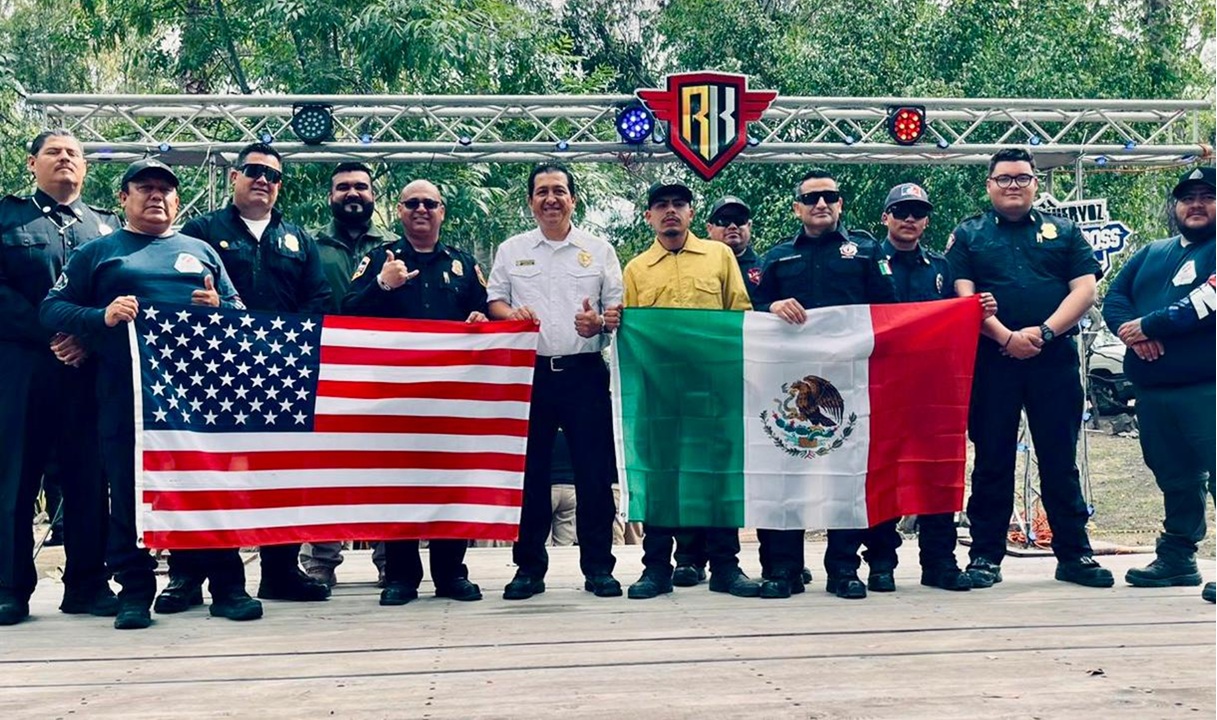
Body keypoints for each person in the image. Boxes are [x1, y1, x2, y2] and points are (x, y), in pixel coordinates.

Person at [40, 158, 249, 629]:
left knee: (208, 488)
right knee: (129, 493)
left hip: (196, 398)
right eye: (145, 188)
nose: (156, 196)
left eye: (165, 189)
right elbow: (51, 309)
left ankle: (228, 587)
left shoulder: (201, 251)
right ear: (124, 199)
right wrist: (101, 316)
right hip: (125, 397)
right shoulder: (98, 253)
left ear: (177, 200)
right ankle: (134, 591)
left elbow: (240, 314)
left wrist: (221, 307)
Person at [155, 142, 332, 616]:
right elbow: (177, 291)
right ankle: (187, 576)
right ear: (235, 177)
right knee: (203, 473)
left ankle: (280, 570)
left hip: (279, 374)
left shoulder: (298, 239)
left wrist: (285, 347)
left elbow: (317, 299)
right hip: (212, 372)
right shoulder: (201, 232)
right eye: (253, 171)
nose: (263, 181)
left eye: (272, 176)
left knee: (280, 474)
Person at [946, 147, 1113, 589]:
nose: (1013, 185)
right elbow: (963, 296)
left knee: (1059, 460)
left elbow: (1085, 291)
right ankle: (985, 556)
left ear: (1036, 184)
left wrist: (1043, 333)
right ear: (989, 185)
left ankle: (1074, 555)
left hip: (1053, 361)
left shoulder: (1066, 232)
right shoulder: (969, 234)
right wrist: (1006, 337)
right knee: (992, 460)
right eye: (1004, 178)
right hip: (992, 362)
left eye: (1022, 177)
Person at [752, 169, 897, 600]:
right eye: (812, 198)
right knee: (784, 473)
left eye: (830, 197)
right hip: (787, 384)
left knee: (846, 474)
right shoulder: (777, 257)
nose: (821, 204)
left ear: (840, 204)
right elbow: (752, 307)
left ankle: (843, 569)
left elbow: (888, 310)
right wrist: (772, 305)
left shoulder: (867, 252)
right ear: (796, 208)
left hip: (848, 383)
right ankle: (783, 569)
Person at [343, 179, 486, 606]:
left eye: (430, 203)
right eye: (412, 203)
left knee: (450, 484)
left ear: (442, 211)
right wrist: (383, 285)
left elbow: (487, 313)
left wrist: (480, 321)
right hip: (394, 397)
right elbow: (347, 312)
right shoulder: (378, 259)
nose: (421, 209)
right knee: (397, 485)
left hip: (450, 398)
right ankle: (401, 576)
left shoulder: (463, 264)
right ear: (400, 211)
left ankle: (451, 573)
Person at [487, 163, 623, 600]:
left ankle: (599, 568)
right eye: (542, 192)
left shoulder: (599, 250)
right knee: (529, 475)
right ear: (531, 201)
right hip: (529, 377)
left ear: (573, 199)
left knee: (594, 475)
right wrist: (511, 316)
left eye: (559, 191)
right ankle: (528, 568)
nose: (551, 199)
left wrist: (598, 323)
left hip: (585, 374)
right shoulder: (512, 249)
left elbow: (616, 313)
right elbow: (494, 301)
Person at [621, 178, 760, 601]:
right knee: (661, 479)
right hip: (659, 395)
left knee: (718, 479)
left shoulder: (719, 256)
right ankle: (655, 569)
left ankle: (726, 568)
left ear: (691, 213)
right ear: (648, 216)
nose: (670, 211)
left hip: (713, 390)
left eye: (679, 204)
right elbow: (631, 332)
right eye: (661, 204)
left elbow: (739, 315)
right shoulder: (636, 269)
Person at [0, 129, 117, 625]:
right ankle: (9, 588)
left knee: (89, 476)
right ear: (32, 163)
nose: (65, 158)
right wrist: (54, 331)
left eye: (74, 153)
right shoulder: (7, 217)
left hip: (87, 369)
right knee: (15, 478)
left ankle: (88, 584)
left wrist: (87, 336)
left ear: (85, 167)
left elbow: (120, 290)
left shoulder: (108, 227)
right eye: (54, 152)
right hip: (24, 367)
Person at [875, 182, 998, 592]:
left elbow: (960, 315)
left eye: (918, 212)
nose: (910, 219)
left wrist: (977, 309)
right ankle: (880, 562)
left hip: (934, 391)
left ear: (927, 220)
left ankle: (940, 562)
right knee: (883, 473)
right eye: (901, 211)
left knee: (938, 472)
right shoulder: (869, 262)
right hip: (883, 388)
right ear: (886, 217)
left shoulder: (943, 268)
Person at [1101, 166, 1215, 604]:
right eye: (1188, 197)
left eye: (1208, 196)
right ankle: (1178, 558)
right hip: (1155, 393)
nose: (1196, 204)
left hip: (1208, 387)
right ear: (1176, 206)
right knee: (1174, 476)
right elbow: (1115, 298)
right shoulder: (1152, 252)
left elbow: (1206, 301)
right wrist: (1131, 332)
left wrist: (1149, 325)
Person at [704, 194, 814, 591]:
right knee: (719, 473)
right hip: (716, 384)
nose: (732, 227)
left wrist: (772, 307)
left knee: (777, 470)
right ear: (709, 228)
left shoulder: (770, 265)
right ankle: (716, 563)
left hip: (768, 385)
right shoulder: (701, 265)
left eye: (739, 220)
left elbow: (785, 311)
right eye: (723, 220)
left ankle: (782, 564)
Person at [299, 161, 392, 588]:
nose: (352, 193)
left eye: (360, 186)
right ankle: (320, 560)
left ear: (373, 195)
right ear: (330, 196)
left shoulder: (394, 245)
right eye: (343, 187)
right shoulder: (308, 245)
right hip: (325, 369)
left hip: (384, 371)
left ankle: (390, 559)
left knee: (385, 467)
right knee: (325, 467)